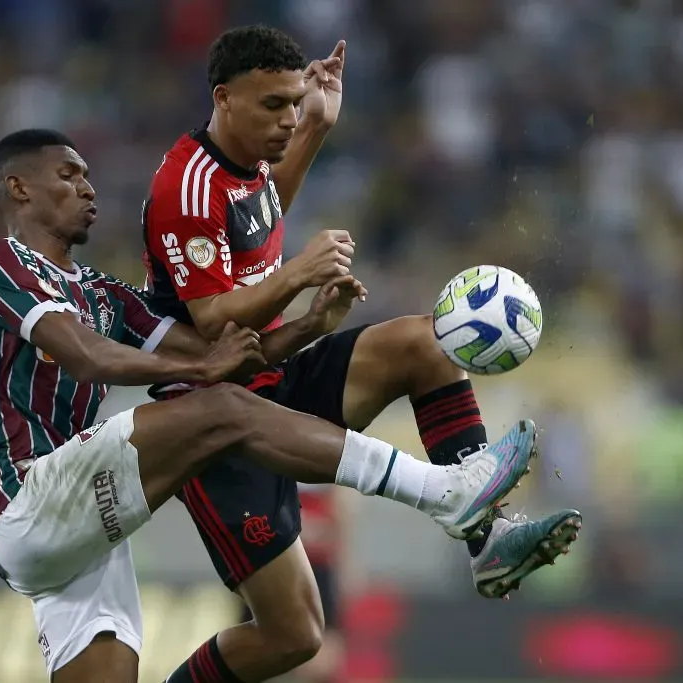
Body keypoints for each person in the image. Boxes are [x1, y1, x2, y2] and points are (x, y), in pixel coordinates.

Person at [0, 128, 543, 683]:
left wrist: (309, 325)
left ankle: (459, 500)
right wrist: (201, 369)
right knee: (223, 407)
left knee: (225, 399)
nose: (87, 188)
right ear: (18, 187)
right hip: (23, 499)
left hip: (80, 526)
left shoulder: (103, 294)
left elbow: (226, 354)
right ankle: (446, 492)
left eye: (87, 176)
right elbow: (85, 354)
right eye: (68, 174)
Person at [142, 26, 583, 683]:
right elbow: (209, 321)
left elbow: (261, 217)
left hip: (270, 378)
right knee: (295, 637)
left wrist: (318, 127)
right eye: (275, 106)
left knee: (423, 344)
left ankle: (487, 539)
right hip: (213, 424)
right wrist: (298, 276)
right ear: (224, 98)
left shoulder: (250, 160)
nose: (287, 119)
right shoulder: (187, 187)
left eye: (295, 102)